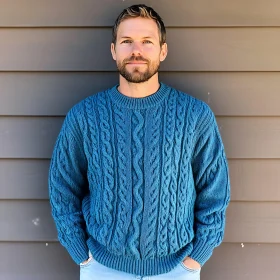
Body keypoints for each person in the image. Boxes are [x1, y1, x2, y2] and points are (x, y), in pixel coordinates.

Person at [48, 4, 230, 280]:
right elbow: (62, 185)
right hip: (102, 267)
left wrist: (197, 258)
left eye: (147, 41)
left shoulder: (194, 116)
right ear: (113, 51)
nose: (137, 50)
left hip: (177, 268)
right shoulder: (85, 116)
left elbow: (214, 190)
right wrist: (81, 254)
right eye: (127, 42)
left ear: (163, 50)